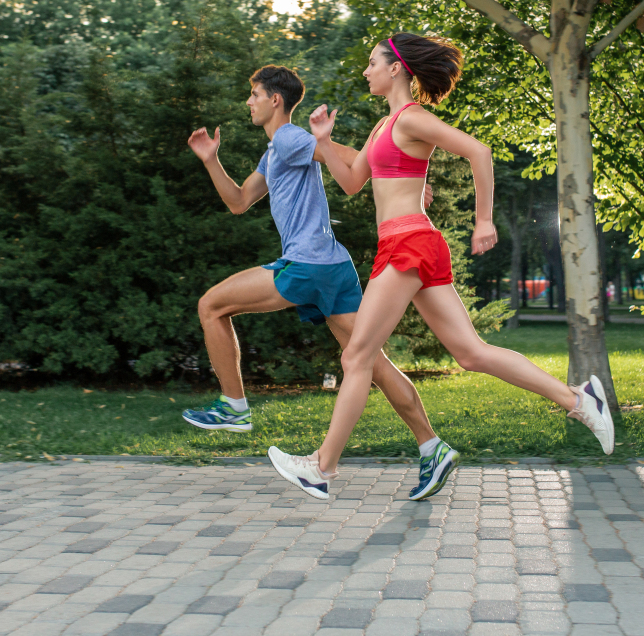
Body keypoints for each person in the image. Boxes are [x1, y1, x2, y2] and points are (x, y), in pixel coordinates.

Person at [267, 34, 615, 500]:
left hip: (409, 243)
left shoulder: (413, 119)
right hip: (407, 245)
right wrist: (324, 143)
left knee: (356, 357)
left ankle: (321, 467)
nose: (366, 71)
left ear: (396, 69)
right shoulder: (381, 127)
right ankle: (577, 400)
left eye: (372, 63)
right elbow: (351, 184)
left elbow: (479, 152)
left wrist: (484, 220)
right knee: (470, 353)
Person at [183, 65, 460, 500]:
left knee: (211, 305)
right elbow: (239, 201)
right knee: (370, 362)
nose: (249, 101)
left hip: (308, 265)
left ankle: (234, 408)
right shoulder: (275, 152)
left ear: (276, 100)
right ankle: (432, 446)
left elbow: (355, 159)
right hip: (333, 267)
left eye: (254, 94)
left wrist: (408, 182)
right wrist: (211, 161)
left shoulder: (291, 138)